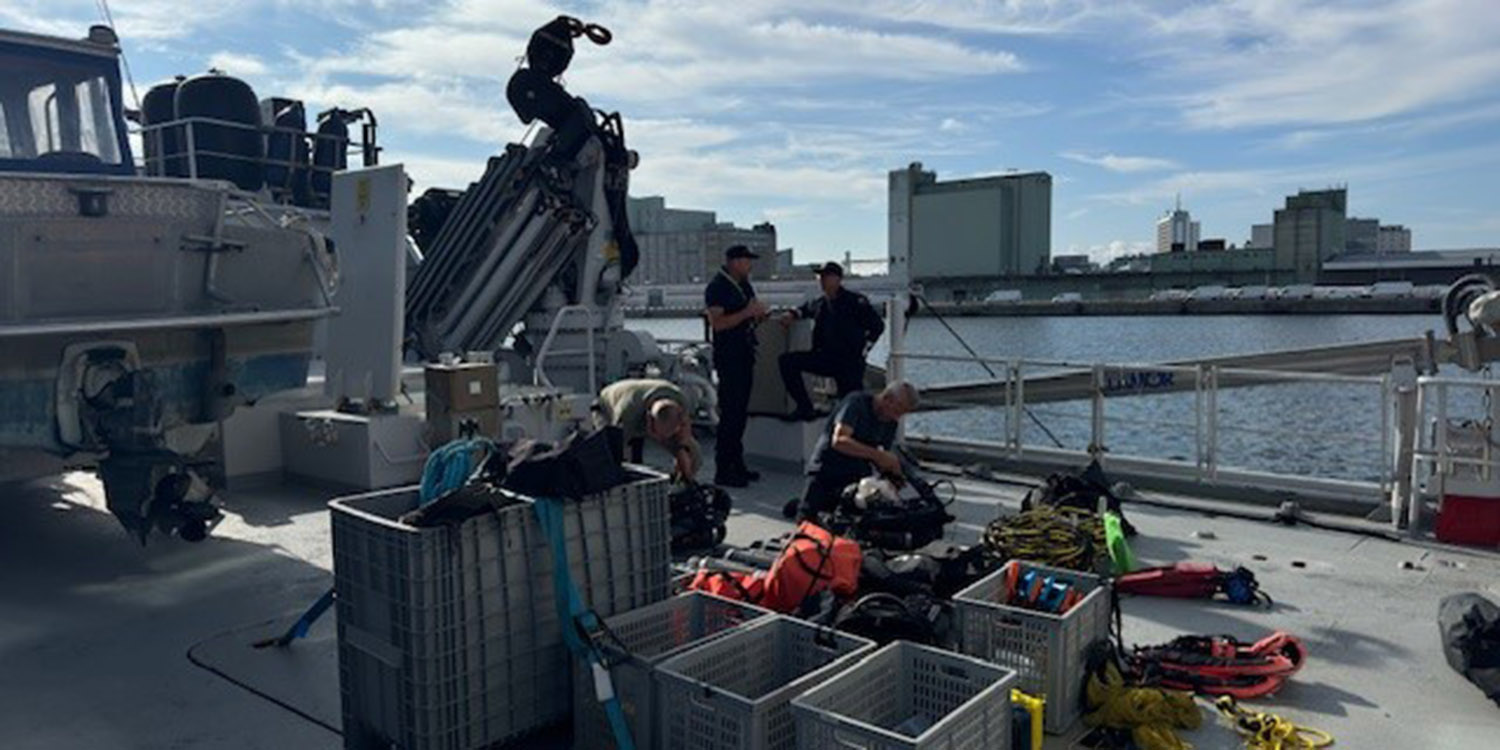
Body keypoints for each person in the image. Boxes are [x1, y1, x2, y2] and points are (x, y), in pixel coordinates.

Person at [794, 381, 921, 520]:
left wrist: (895, 475)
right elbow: (840, 441)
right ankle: (804, 506)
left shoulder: (890, 422)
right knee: (807, 523)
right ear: (887, 398)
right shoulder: (855, 403)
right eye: (897, 411)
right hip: (827, 470)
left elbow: (882, 455)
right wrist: (879, 456)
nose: (896, 417)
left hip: (856, 477)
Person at [778, 262, 885, 421]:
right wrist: (792, 314)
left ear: (838, 279)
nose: (822, 280)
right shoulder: (821, 303)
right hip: (826, 358)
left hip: (849, 361)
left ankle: (858, 434)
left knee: (851, 405)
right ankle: (805, 408)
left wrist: (865, 349)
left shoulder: (855, 302)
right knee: (787, 362)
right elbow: (805, 309)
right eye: (820, 277)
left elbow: (877, 326)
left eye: (826, 276)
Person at [704, 245, 769, 487]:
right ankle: (723, 468)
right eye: (745, 261)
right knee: (730, 413)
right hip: (729, 357)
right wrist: (747, 312)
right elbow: (718, 324)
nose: (749, 265)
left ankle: (737, 463)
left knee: (740, 413)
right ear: (733, 262)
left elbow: (746, 311)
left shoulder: (744, 285)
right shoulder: (717, 288)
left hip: (744, 353)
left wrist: (758, 314)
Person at [595, 378, 700, 482]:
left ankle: (683, 485)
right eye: (661, 435)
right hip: (605, 407)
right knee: (609, 455)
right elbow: (614, 448)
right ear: (649, 420)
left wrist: (682, 453)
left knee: (694, 453)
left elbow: (685, 442)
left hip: (643, 405)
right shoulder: (627, 414)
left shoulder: (681, 402)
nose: (664, 439)